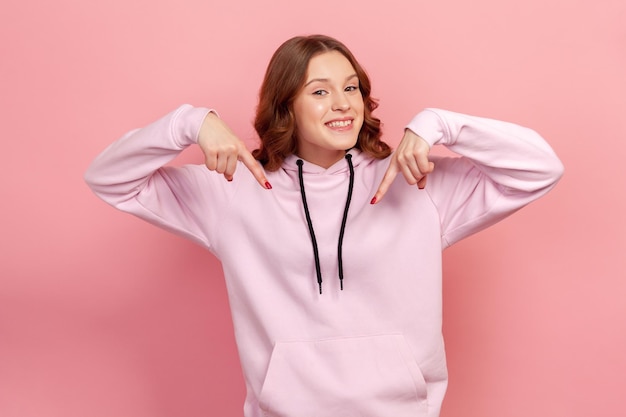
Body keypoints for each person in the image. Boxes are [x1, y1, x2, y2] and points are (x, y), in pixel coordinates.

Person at [84, 34, 563, 417]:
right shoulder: (233, 192)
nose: (343, 103)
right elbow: (109, 179)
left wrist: (440, 124)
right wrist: (190, 123)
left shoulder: (416, 181)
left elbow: (540, 168)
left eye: (351, 87)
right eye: (319, 91)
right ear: (285, 105)